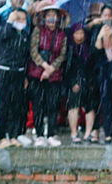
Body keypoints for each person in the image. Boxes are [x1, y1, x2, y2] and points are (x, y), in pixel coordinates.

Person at [28, 4, 69, 148]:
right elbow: (33, 51)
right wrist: (44, 66)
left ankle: (51, 133)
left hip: (55, 75)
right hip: (37, 74)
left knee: (53, 105)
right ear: (44, 17)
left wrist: (51, 69)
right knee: (38, 105)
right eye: (49, 15)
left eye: (54, 15)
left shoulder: (61, 34)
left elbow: (63, 54)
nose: (52, 18)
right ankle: (39, 134)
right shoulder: (38, 31)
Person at [0, 9, 31, 148]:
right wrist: (10, 21)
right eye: (18, 18)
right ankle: (2, 136)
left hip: (19, 72)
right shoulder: (5, 29)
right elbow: (1, 37)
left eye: (23, 19)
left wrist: (25, 75)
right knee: (3, 104)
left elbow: (26, 56)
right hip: (4, 71)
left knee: (17, 105)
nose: (21, 22)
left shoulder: (25, 35)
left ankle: (14, 135)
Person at [66, 23, 98, 144]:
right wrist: (73, 82)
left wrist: (89, 81)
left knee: (90, 107)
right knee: (74, 106)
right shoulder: (69, 49)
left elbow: (92, 65)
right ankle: (74, 132)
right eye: (76, 33)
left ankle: (88, 133)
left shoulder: (88, 48)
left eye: (81, 33)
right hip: (74, 82)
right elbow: (67, 68)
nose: (79, 36)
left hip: (88, 81)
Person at [93, 6, 112, 143]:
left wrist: (111, 35)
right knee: (106, 101)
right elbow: (96, 48)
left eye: (110, 15)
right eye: (104, 15)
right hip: (103, 69)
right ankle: (108, 131)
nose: (107, 18)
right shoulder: (97, 28)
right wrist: (101, 35)